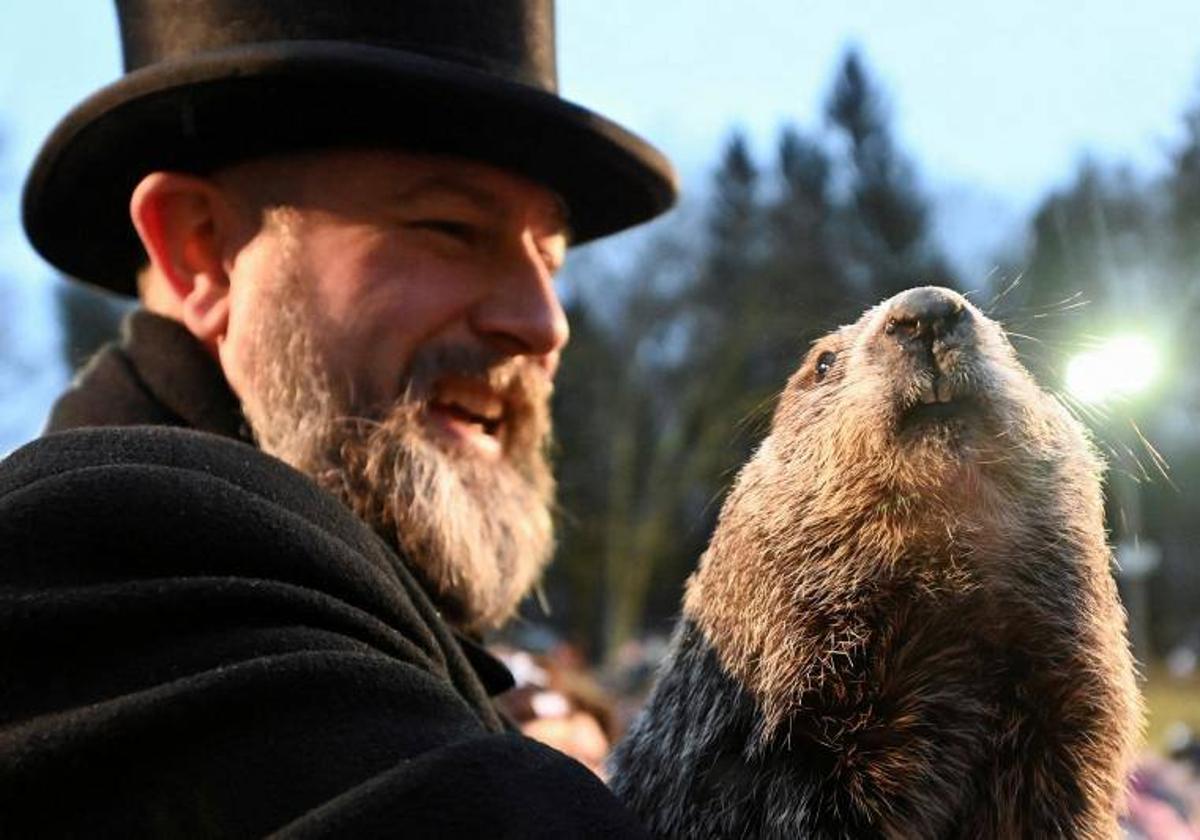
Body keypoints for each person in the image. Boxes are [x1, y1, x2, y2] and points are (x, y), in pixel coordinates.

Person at [0, 1, 676, 836]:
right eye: (452, 229)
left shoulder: (371, 634)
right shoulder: (103, 538)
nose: (546, 325)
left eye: (550, 261)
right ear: (202, 250)